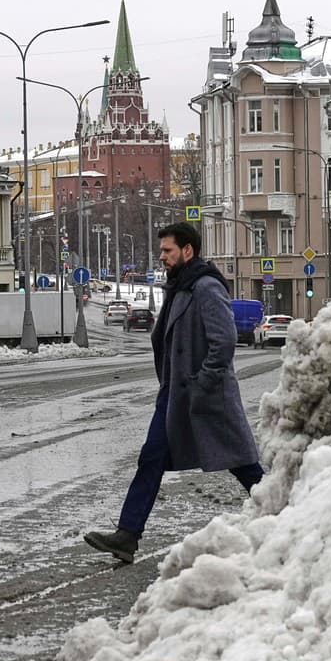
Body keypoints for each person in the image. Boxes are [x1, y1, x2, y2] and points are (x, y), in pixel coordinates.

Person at [84, 221, 263, 563]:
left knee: (243, 464)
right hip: (175, 395)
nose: (162, 257)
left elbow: (223, 342)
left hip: (203, 396)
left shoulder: (206, 287)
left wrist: (202, 384)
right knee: (151, 459)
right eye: (161, 251)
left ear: (187, 251)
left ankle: (285, 514)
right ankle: (127, 535)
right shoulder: (180, 286)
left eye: (167, 251)